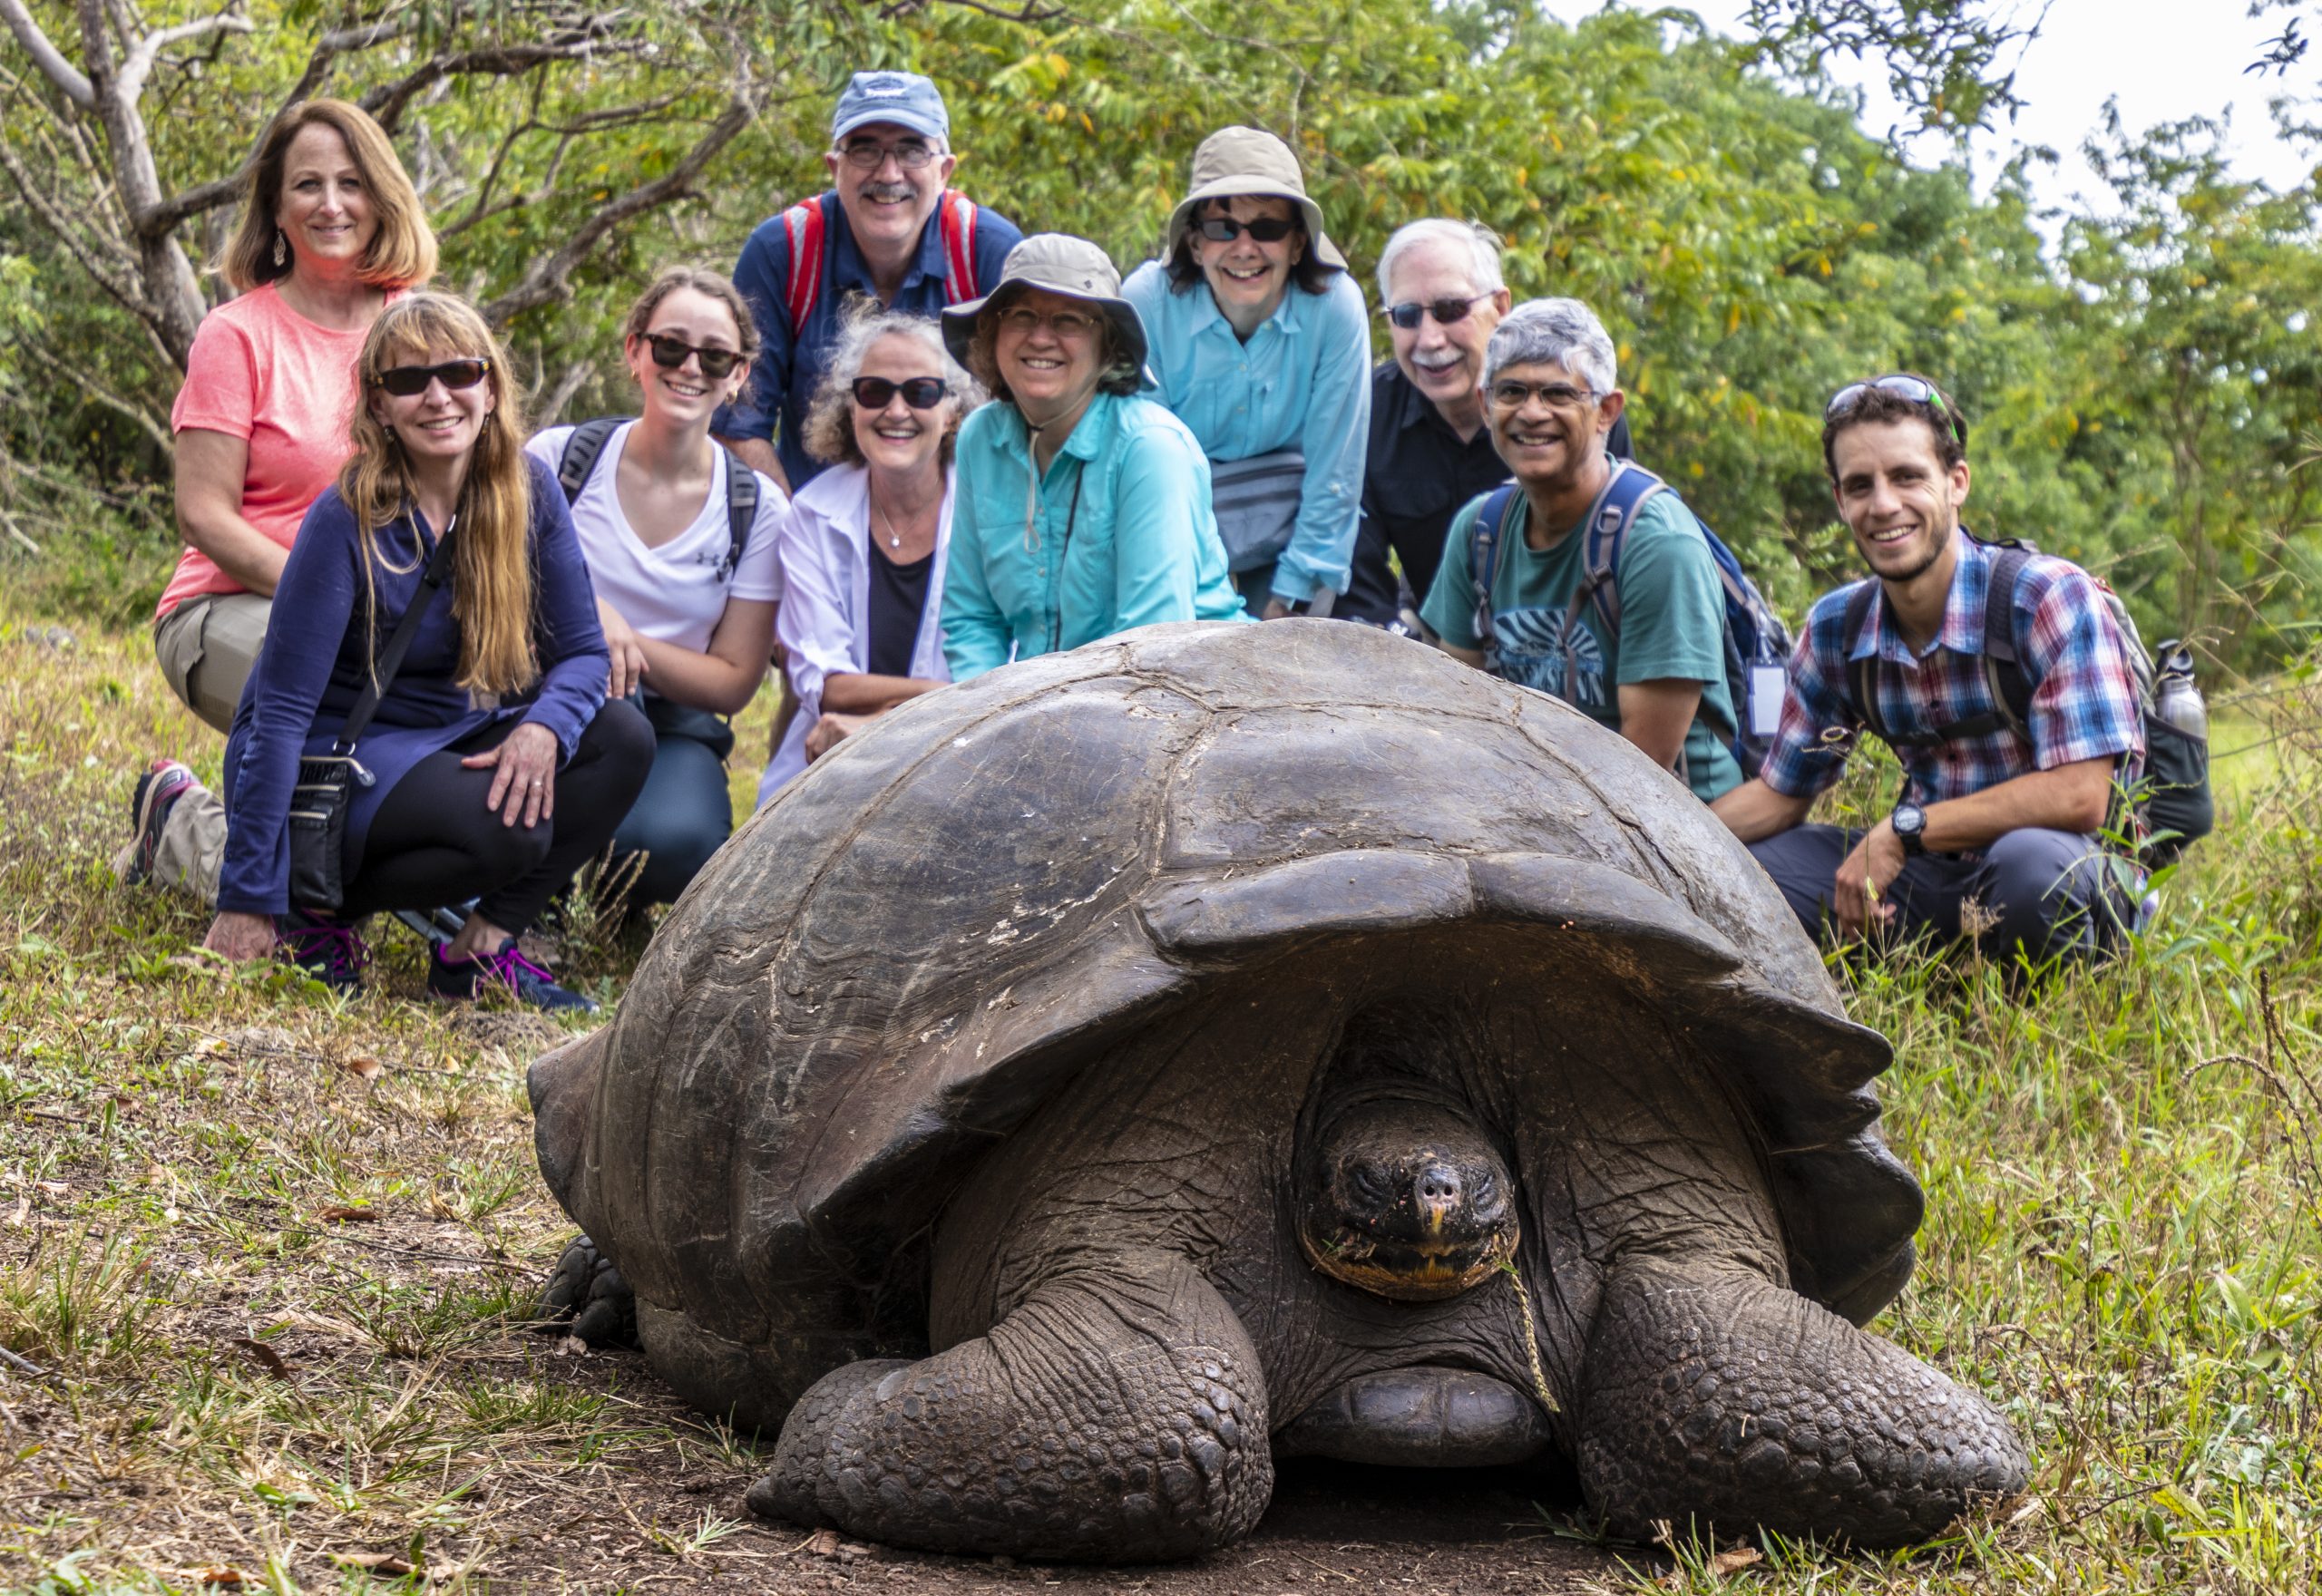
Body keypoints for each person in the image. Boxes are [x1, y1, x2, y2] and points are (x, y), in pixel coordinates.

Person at [201, 292, 651, 1008]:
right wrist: (248, 895)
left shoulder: (527, 491)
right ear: (379, 406)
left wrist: (542, 728)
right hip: (340, 758)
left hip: (445, 738)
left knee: (621, 736)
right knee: (510, 828)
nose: (437, 397)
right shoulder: (346, 516)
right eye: (408, 381)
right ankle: (311, 912)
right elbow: (279, 714)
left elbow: (585, 655)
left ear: (491, 386)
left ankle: (482, 948)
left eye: (459, 372)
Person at [1712, 375, 2146, 964]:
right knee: (1744, 873)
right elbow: (1779, 797)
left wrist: (1902, 829)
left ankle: (2041, 1003)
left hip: (2068, 867)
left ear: (1956, 482)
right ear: (1840, 501)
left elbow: (2081, 797)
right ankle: (1927, 962)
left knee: (2031, 871)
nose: (1884, 504)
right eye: (1860, 485)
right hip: (1928, 877)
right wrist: (1651, 838)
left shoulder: (2046, 597)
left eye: (1907, 477)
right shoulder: (1836, 628)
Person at [119, 99, 437, 900]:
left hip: (390, 619)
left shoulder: (419, 326)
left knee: (391, 776)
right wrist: (336, 601)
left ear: (382, 197)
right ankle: (181, 826)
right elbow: (204, 514)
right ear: (275, 209)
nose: (332, 204)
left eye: (351, 182)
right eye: (307, 185)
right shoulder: (237, 335)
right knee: (337, 718)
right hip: (233, 608)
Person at [526, 268, 786, 909]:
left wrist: (623, 640)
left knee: (672, 847)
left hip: (671, 723)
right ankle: (530, 887)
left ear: (739, 376)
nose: (689, 366)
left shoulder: (757, 508)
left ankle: (598, 881)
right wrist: (590, 621)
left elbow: (731, 681)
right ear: (635, 351)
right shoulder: (560, 460)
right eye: (670, 346)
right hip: (536, 695)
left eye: (715, 355)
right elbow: (488, 585)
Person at [1419, 299, 1742, 801]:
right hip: (1533, 798)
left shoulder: (1656, 543)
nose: (1531, 412)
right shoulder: (1480, 530)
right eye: (1512, 392)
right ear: (1486, 406)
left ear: (1605, 411)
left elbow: (1643, 769)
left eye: (1557, 393)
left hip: (1673, 822)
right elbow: (1456, 715)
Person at [938, 234, 1244, 679]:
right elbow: (972, 619)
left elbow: (1151, 644)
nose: (1041, 338)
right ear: (993, 332)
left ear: (1108, 345)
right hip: (1048, 705)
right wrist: (988, 720)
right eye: (1021, 315)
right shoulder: (980, 438)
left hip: (1198, 698)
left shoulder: (1150, 449)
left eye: (1069, 320)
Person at [721, 70, 1021, 496]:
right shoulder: (784, 251)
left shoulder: (986, 251)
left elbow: (1029, 418)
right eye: (865, 150)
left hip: (958, 538)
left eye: (912, 150)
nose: (889, 172)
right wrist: (798, 536)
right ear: (834, 167)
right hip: (811, 535)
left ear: (945, 172)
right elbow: (738, 425)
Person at [1120, 126, 1369, 618]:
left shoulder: (1336, 307)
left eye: (1268, 227)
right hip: (1174, 526)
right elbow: (1150, 467)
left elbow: (1335, 473)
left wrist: (1286, 601)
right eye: (1222, 228)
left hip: (1293, 528)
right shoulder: (1146, 301)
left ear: (1298, 243)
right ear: (1194, 243)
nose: (1245, 247)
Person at [1340, 219, 1631, 633]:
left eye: (1450, 310)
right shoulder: (1366, 414)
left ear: (1500, 307)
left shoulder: (1578, 407)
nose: (1429, 339)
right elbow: (1358, 591)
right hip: (1435, 656)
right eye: (1406, 316)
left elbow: (1619, 562)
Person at [760, 305, 980, 800]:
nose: (896, 411)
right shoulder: (813, 515)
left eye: (922, 392)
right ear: (851, 407)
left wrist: (876, 721)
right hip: (829, 756)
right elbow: (827, 685)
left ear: (951, 413)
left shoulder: (989, 513)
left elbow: (1003, 675)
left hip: (962, 758)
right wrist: (937, 698)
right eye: (875, 391)